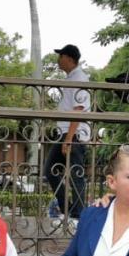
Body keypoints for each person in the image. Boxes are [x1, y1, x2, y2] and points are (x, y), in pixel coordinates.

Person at [44, 44, 91, 223]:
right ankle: (70, 209)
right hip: (66, 133)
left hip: (74, 135)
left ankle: (78, 215)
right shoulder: (72, 77)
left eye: (61, 56)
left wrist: (69, 138)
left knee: (76, 174)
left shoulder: (79, 78)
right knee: (51, 171)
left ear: (69, 58)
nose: (58, 59)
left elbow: (79, 110)